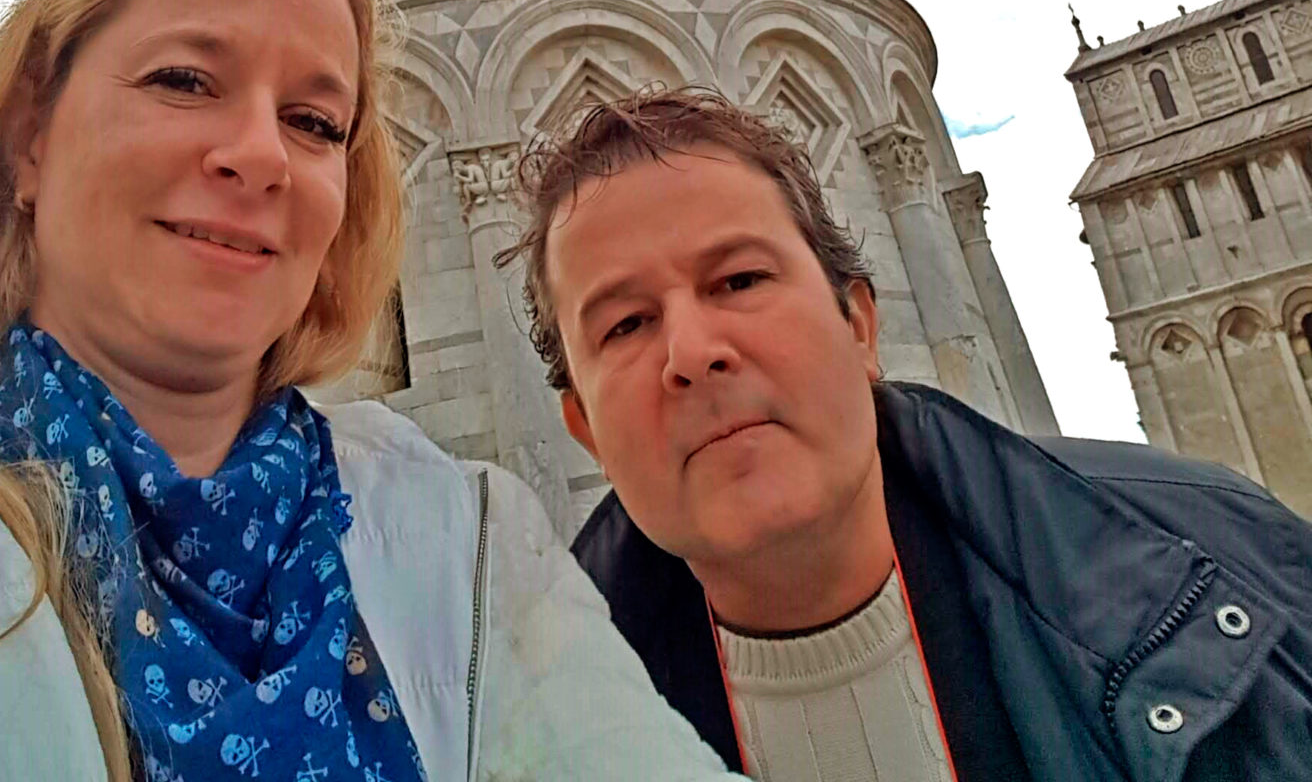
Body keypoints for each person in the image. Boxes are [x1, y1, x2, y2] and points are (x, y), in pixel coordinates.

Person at [0, 0, 726, 782]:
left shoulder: (467, 538)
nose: (258, 157)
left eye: (315, 122)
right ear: (29, 139)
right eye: (184, 79)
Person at [501, 86, 1312, 782]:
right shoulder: (505, 740)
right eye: (627, 323)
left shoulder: (1226, 579)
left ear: (858, 326)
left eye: (739, 280)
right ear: (585, 428)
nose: (694, 354)